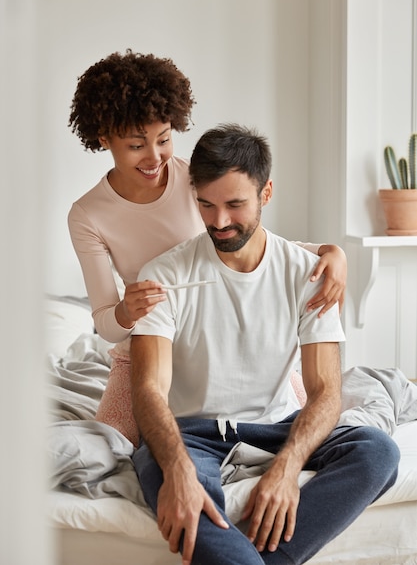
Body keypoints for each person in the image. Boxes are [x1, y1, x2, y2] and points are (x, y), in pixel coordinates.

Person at [130, 123, 400, 565]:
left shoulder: (310, 274)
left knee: (378, 452)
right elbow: (148, 390)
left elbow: (326, 392)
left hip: (276, 429)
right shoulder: (162, 275)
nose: (219, 222)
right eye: (206, 205)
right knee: (174, 480)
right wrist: (177, 467)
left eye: (235, 205)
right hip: (191, 436)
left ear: (266, 193)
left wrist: (288, 468)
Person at [68, 50, 347, 447]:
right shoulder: (87, 215)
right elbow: (105, 321)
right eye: (135, 145)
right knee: (110, 451)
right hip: (149, 345)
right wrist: (128, 311)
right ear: (104, 138)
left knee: (309, 433)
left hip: (226, 340)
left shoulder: (193, 178)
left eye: (163, 139)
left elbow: (244, 237)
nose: (154, 157)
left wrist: (327, 251)